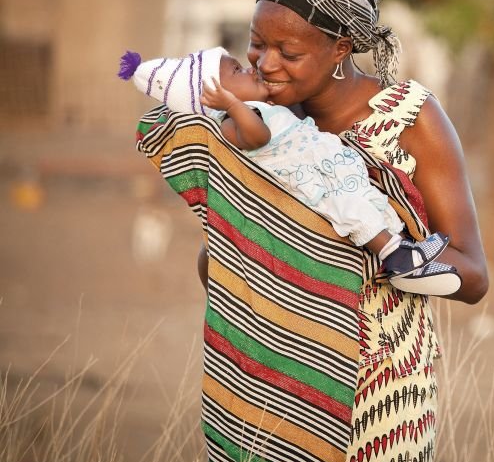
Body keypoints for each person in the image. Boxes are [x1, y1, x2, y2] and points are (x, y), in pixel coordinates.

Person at [135, 0, 488, 462]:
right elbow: (214, 263)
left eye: (288, 51)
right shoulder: (256, 127)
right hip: (262, 375)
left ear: (340, 49)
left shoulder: (410, 119)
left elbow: (474, 274)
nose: (266, 64)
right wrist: (261, 237)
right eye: (255, 44)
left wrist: (392, 255)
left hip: (377, 387)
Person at [119, 46, 461, 296]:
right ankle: (396, 257)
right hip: (318, 186)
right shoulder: (231, 124)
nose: (255, 67)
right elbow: (258, 137)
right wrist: (233, 107)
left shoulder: (263, 107)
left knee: (369, 202)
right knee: (353, 212)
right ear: (214, 99)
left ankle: (405, 250)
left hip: (332, 168)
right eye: (237, 72)